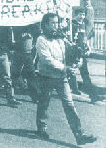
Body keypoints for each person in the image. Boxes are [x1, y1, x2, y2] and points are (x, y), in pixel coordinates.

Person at [35, 12, 97, 145]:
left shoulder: (61, 38)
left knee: (69, 105)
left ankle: (79, 134)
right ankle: (42, 127)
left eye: (57, 23)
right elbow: (47, 60)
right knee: (44, 103)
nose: (56, 26)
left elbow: (70, 52)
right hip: (46, 77)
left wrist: (79, 54)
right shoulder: (41, 39)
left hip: (61, 78)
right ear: (45, 24)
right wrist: (65, 68)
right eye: (53, 23)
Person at [69, 8, 102, 102]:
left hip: (81, 53)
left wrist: (88, 47)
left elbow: (84, 39)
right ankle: (73, 89)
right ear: (76, 15)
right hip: (73, 53)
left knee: (85, 74)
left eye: (83, 15)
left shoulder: (83, 25)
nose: (82, 17)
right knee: (69, 72)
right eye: (80, 14)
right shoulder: (71, 24)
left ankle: (94, 96)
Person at [11, 24, 40, 103]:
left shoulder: (32, 27)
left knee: (31, 74)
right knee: (15, 73)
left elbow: (37, 34)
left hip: (28, 54)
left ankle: (35, 96)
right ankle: (13, 92)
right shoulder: (16, 27)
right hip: (18, 53)